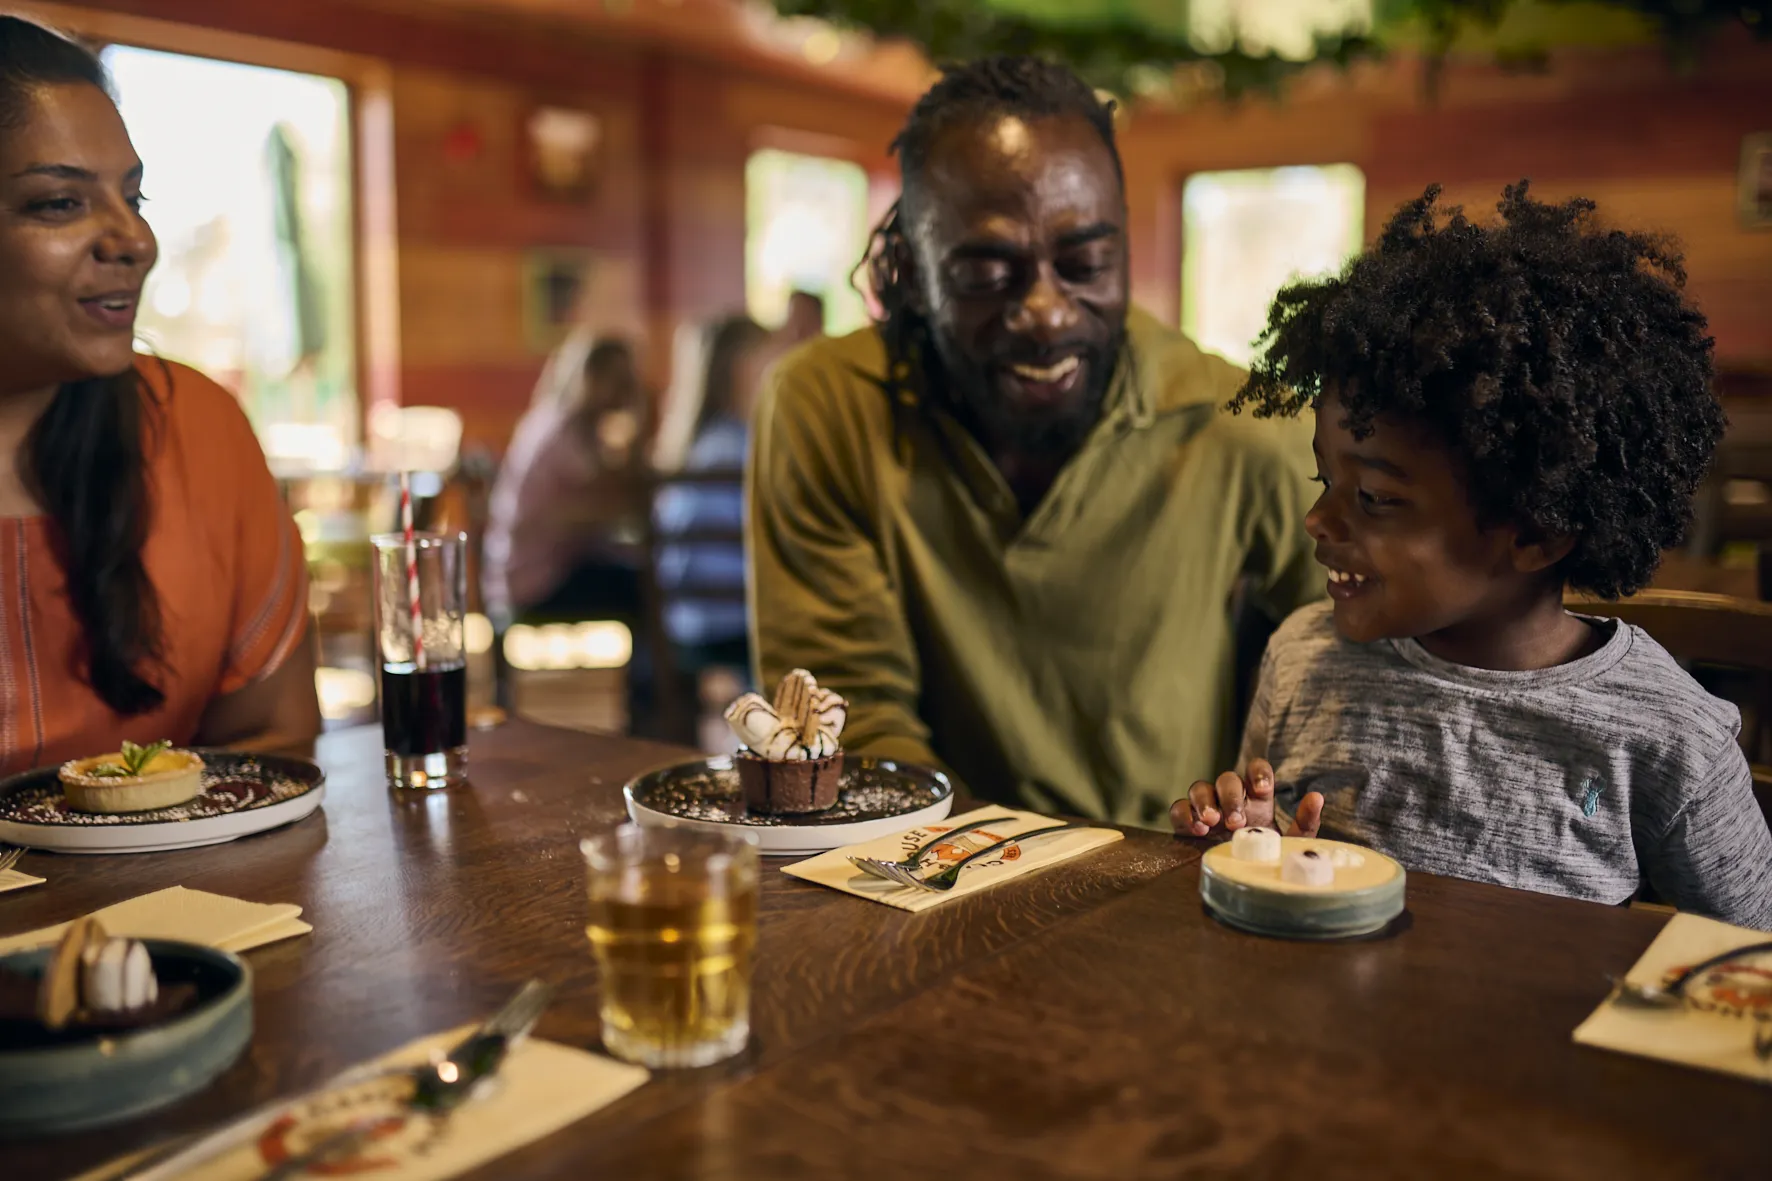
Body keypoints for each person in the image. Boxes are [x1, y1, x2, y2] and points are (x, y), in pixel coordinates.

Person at [1173, 183, 1772, 929]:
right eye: (1326, 479)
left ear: (1536, 532)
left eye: (1376, 499)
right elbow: (1282, 872)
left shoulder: (1661, 734)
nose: (1317, 520)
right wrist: (1248, 841)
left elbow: (1749, 953)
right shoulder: (1301, 658)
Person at [747, 56, 1320, 826]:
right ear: (912, 273)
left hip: (1165, 891)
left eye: (1084, 263)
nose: (1047, 312)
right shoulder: (828, 408)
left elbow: (1369, 661)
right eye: (988, 274)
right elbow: (851, 719)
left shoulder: (1243, 423)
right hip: (919, 874)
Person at [0, 16, 318, 774]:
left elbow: (272, 738)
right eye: (59, 203)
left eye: (134, 198)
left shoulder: (195, 428)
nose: (134, 241)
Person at [482, 337, 649, 624]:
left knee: (634, 576)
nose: (621, 388)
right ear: (588, 378)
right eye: (614, 377)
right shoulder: (563, 434)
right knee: (646, 587)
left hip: (519, 574)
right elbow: (614, 500)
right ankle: (653, 669)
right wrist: (639, 419)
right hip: (533, 582)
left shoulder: (549, 420)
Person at [654, 316, 772, 672]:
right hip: (739, 625)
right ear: (740, 369)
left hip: (685, 622)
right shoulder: (740, 448)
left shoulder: (688, 446)